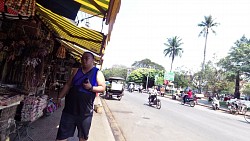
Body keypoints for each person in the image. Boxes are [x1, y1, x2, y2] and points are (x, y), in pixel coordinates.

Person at [56, 52, 106, 141]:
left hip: (85, 113)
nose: (84, 60)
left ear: (93, 60)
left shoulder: (97, 73)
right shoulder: (76, 71)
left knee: (83, 137)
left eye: (87, 58)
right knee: (61, 136)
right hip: (69, 110)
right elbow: (68, 85)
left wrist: (91, 87)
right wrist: (59, 98)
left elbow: (102, 88)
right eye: (82, 58)